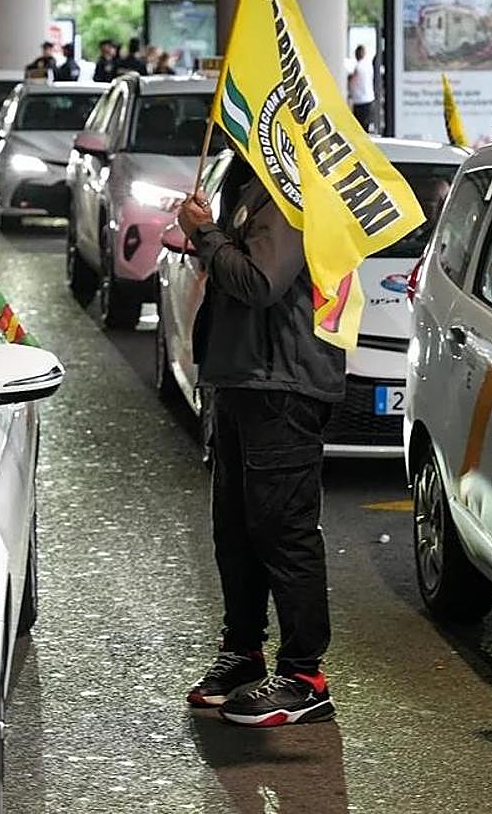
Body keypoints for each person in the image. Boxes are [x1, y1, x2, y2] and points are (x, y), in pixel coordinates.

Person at [176, 157, 343, 727]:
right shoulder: (253, 186)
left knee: (283, 530)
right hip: (241, 379)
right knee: (236, 528)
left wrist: (205, 233)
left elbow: (261, 281)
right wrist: (208, 237)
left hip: (281, 385)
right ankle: (243, 652)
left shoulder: (294, 191)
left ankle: (304, 676)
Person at [348, 45, 375, 132]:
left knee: (359, 126)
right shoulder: (369, 66)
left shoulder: (358, 67)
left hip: (359, 101)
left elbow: (352, 81)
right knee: (365, 126)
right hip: (369, 98)